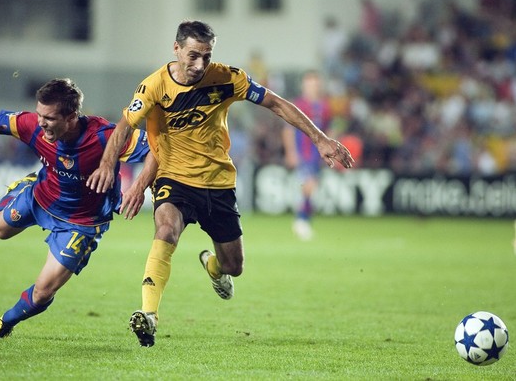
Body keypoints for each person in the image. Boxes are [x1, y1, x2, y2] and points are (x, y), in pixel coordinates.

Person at [86, 20, 354, 347]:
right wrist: (109, 167)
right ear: (176, 49)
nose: (200, 64)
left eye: (207, 56)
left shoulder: (227, 78)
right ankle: (149, 314)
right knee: (166, 230)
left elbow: (276, 103)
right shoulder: (154, 86)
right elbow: (125, 126)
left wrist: (320, 139)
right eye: (193, 55)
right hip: (174, 178)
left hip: (218, 183)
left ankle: (214, 268)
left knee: (234, 265)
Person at [0, 78, 157, 339]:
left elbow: (156, 149)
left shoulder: (105, 136)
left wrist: (138, 187)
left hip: (80, 223)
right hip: (40, 198)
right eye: (39, 115)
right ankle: (24, 186)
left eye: (48, 118)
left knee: (44, 291)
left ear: (71, 117)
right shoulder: (33, 125)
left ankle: (5, 323)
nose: (41, 122)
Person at [282, 70, 331, 241]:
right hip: (303, 152)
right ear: (304, 86)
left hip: (318, 154)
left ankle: (304, 220)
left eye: (315, 85)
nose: (312, 88)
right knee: (309, 185)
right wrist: (291, 152)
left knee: (312, 186)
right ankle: (301, 220)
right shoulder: (298, 105)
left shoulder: (324, 106)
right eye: (309, 84)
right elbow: (288, 130)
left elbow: (328, 129)